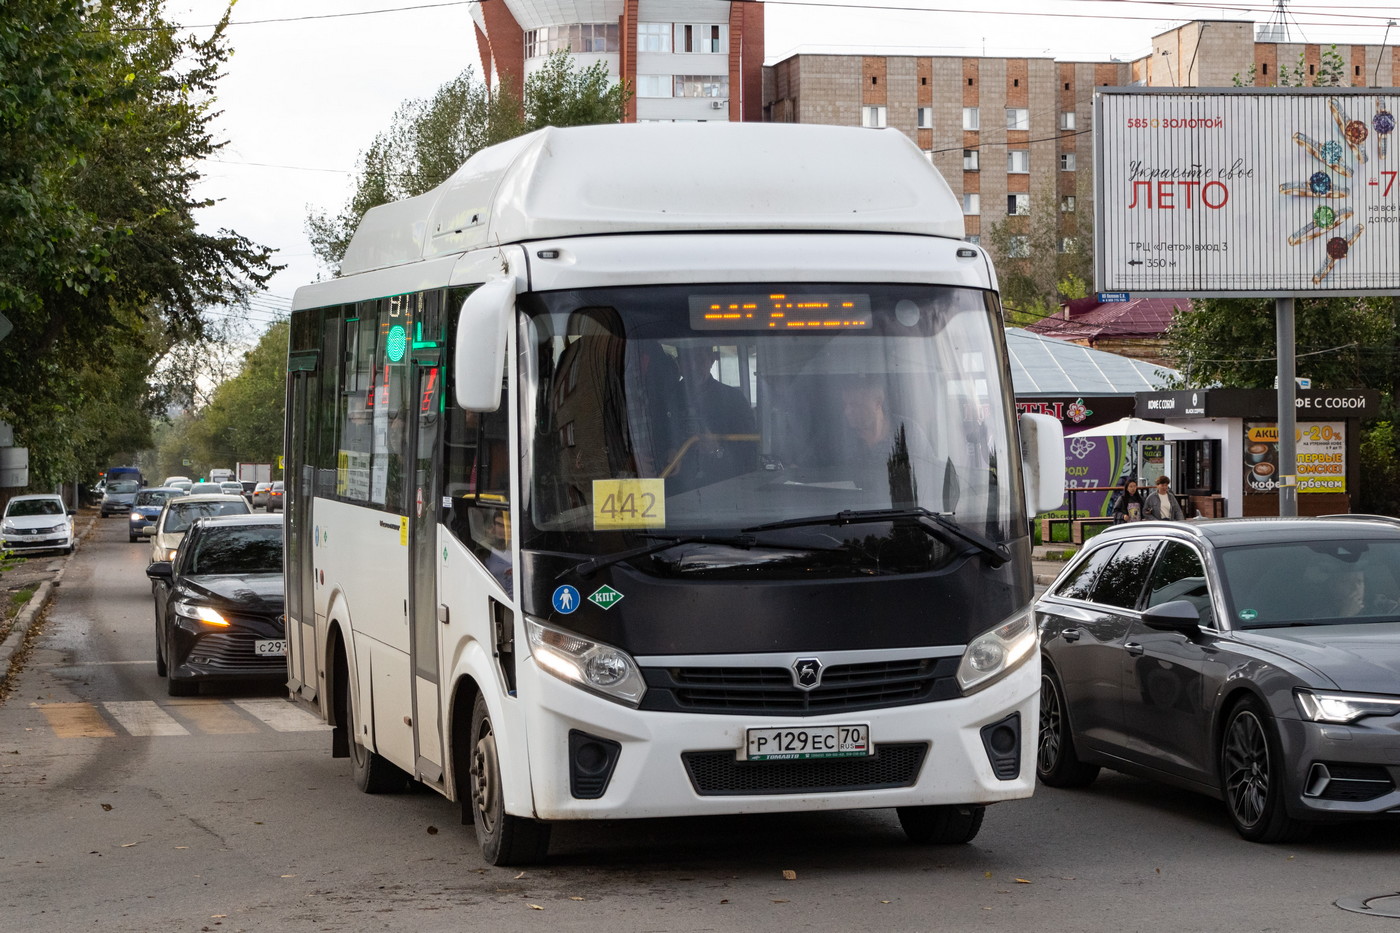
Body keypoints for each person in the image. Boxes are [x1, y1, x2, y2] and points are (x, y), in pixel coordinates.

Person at [670, 343, 758, 487]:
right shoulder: (666, 399)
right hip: (675, 490)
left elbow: (750, 451)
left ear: (711, 360)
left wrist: (718, 450)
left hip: (724, 487)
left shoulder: (734, 399)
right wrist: (669, 452)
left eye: (699, 359)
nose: (694, 367)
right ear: (679, 363)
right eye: (688, 360)